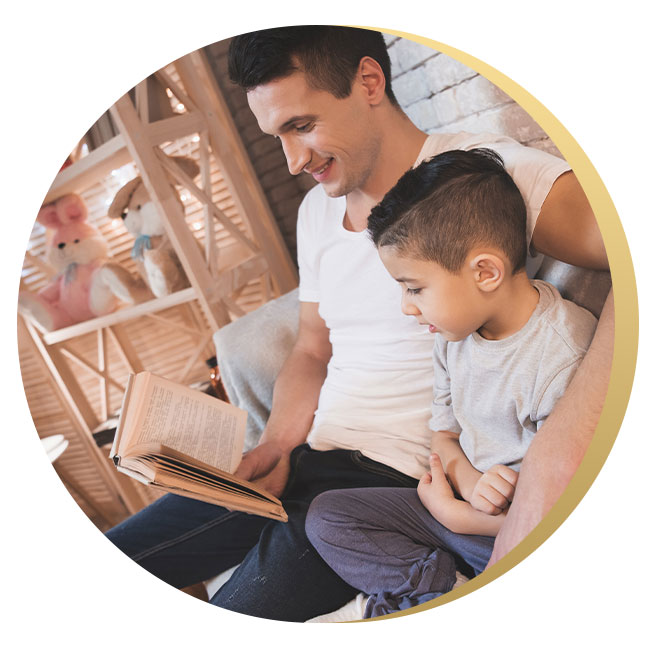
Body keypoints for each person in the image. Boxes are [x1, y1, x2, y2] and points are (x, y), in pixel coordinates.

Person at [105, 26, 611, 622]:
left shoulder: (479, 175)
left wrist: (561, 449)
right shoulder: (315, 212)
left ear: (369, 82)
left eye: (301, 126)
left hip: (389, 483)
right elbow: (313, 349)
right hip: (309, 459)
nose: (294, 161)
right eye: (278, 137)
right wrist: (279, 442)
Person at [305, 148, 598, 618]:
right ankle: (441, 589)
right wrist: (466, 481)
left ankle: (423, 595)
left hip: (519, 533)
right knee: (327, 517)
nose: (406, 306)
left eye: (414, 288)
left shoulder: (560, 353)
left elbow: (556, 509)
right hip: (465, 513)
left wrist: (453, 512)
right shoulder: (452, 337)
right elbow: (444, 436)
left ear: (485, 272)